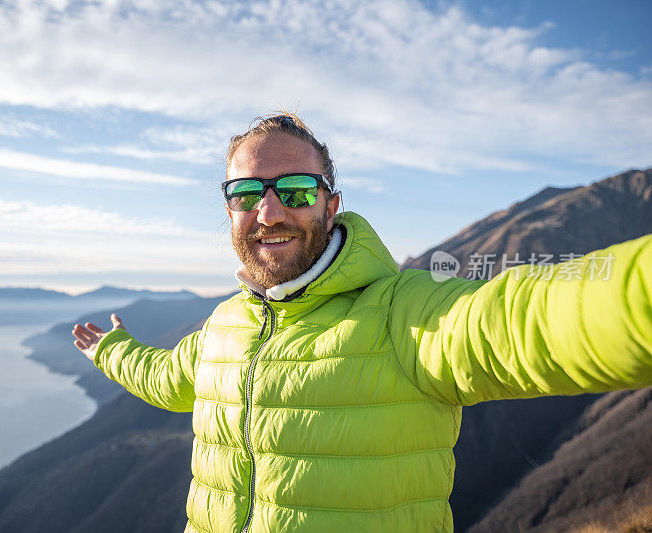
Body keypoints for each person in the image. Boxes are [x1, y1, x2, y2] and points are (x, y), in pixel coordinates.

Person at [72, 113, 652, 532]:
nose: (268, 211)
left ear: (331, 205)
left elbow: (523, 320)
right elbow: (171, 379)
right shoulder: (226, 325)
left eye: (295, 189)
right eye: (246, 193)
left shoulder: (402, 313)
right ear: (229, 208)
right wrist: (112, 350)